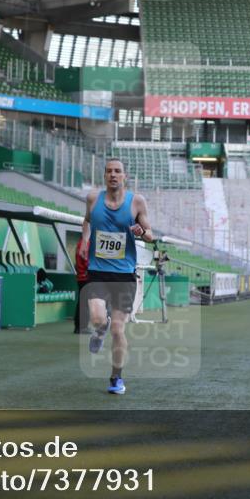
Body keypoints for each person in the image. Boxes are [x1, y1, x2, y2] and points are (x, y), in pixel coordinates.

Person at [79, 157, 154, 395]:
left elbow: (150, 233)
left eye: (117, 171)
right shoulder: (93, 199)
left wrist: (142, 232)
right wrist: (84, 239)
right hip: (98, 272)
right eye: (109, 171)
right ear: (104, 175)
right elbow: (86, 221)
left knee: (118, 330)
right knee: (99, 319)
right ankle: (99, 330)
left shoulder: (136, 202)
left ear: (124, 176)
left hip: (123, 276)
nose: (113, 175)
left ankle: (116, 378)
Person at [73, 238, 89, 334]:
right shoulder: (86, 244)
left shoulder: (82, 243)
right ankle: (81, 327)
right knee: (84, 303)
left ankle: (80, 326)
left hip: (82, 277)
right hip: (85, 278)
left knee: (83, 303)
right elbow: (87, 262)